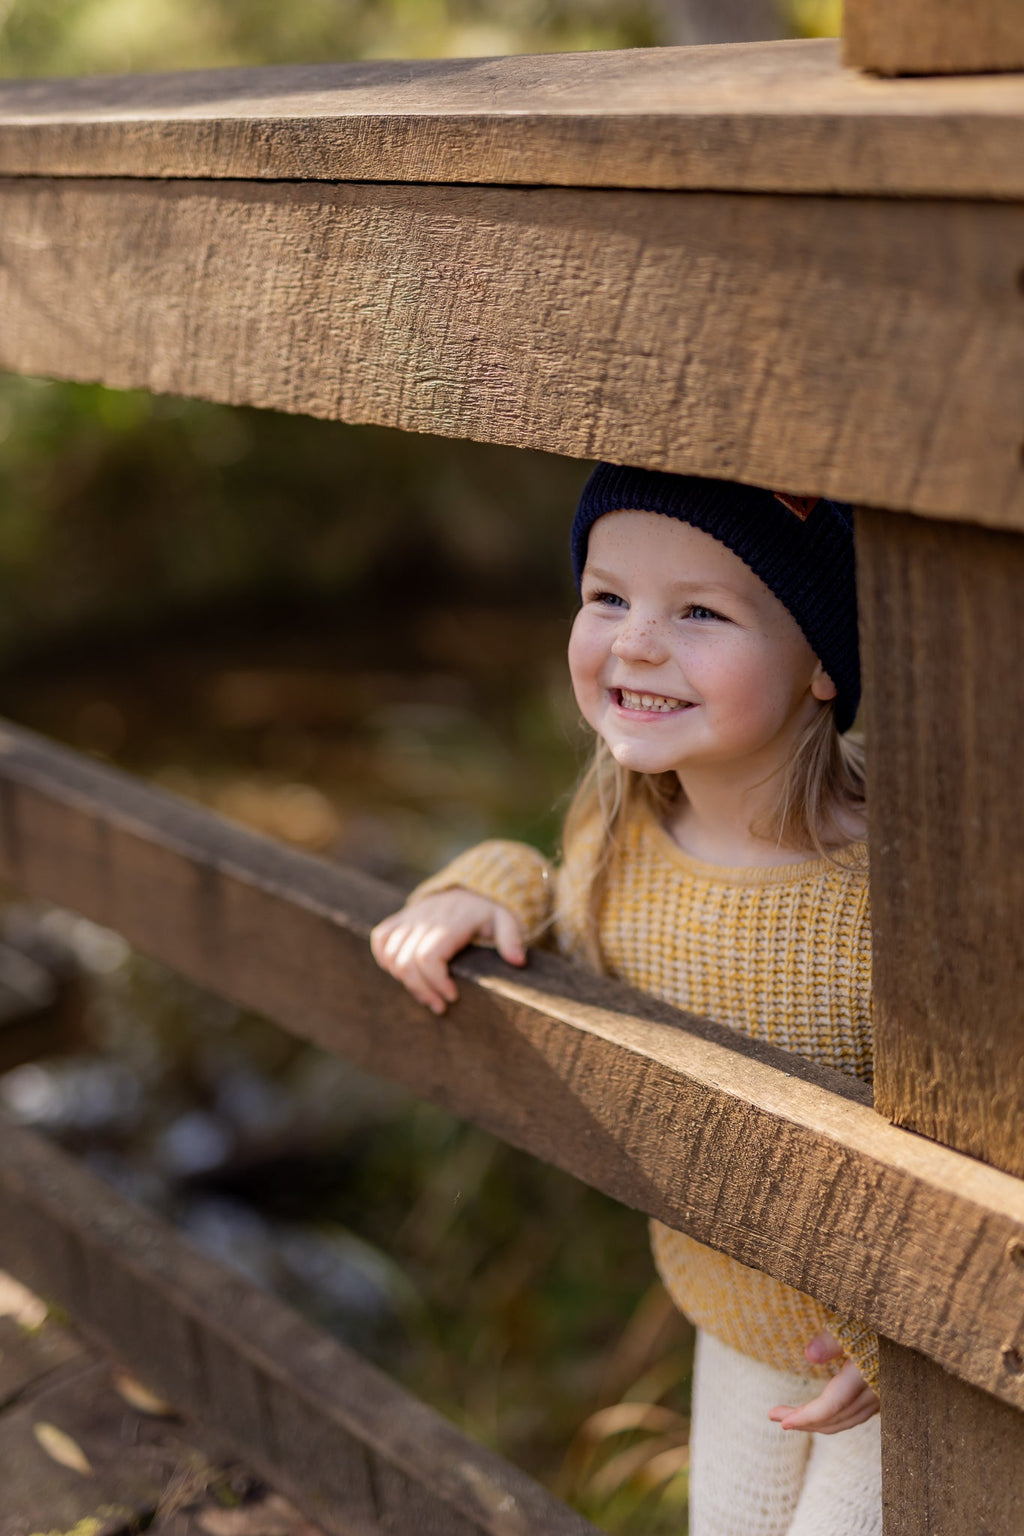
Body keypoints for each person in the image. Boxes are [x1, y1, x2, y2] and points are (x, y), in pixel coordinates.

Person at [371, 463, 881, 1536]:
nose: (637, 641)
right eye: (608, 597)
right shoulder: (622, 842)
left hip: (900, 1355)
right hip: (731, 1318)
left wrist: (918, 1326)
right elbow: (568, 914)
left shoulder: (893, 899)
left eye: (700, 611)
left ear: (820, 665)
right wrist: (488, 885)